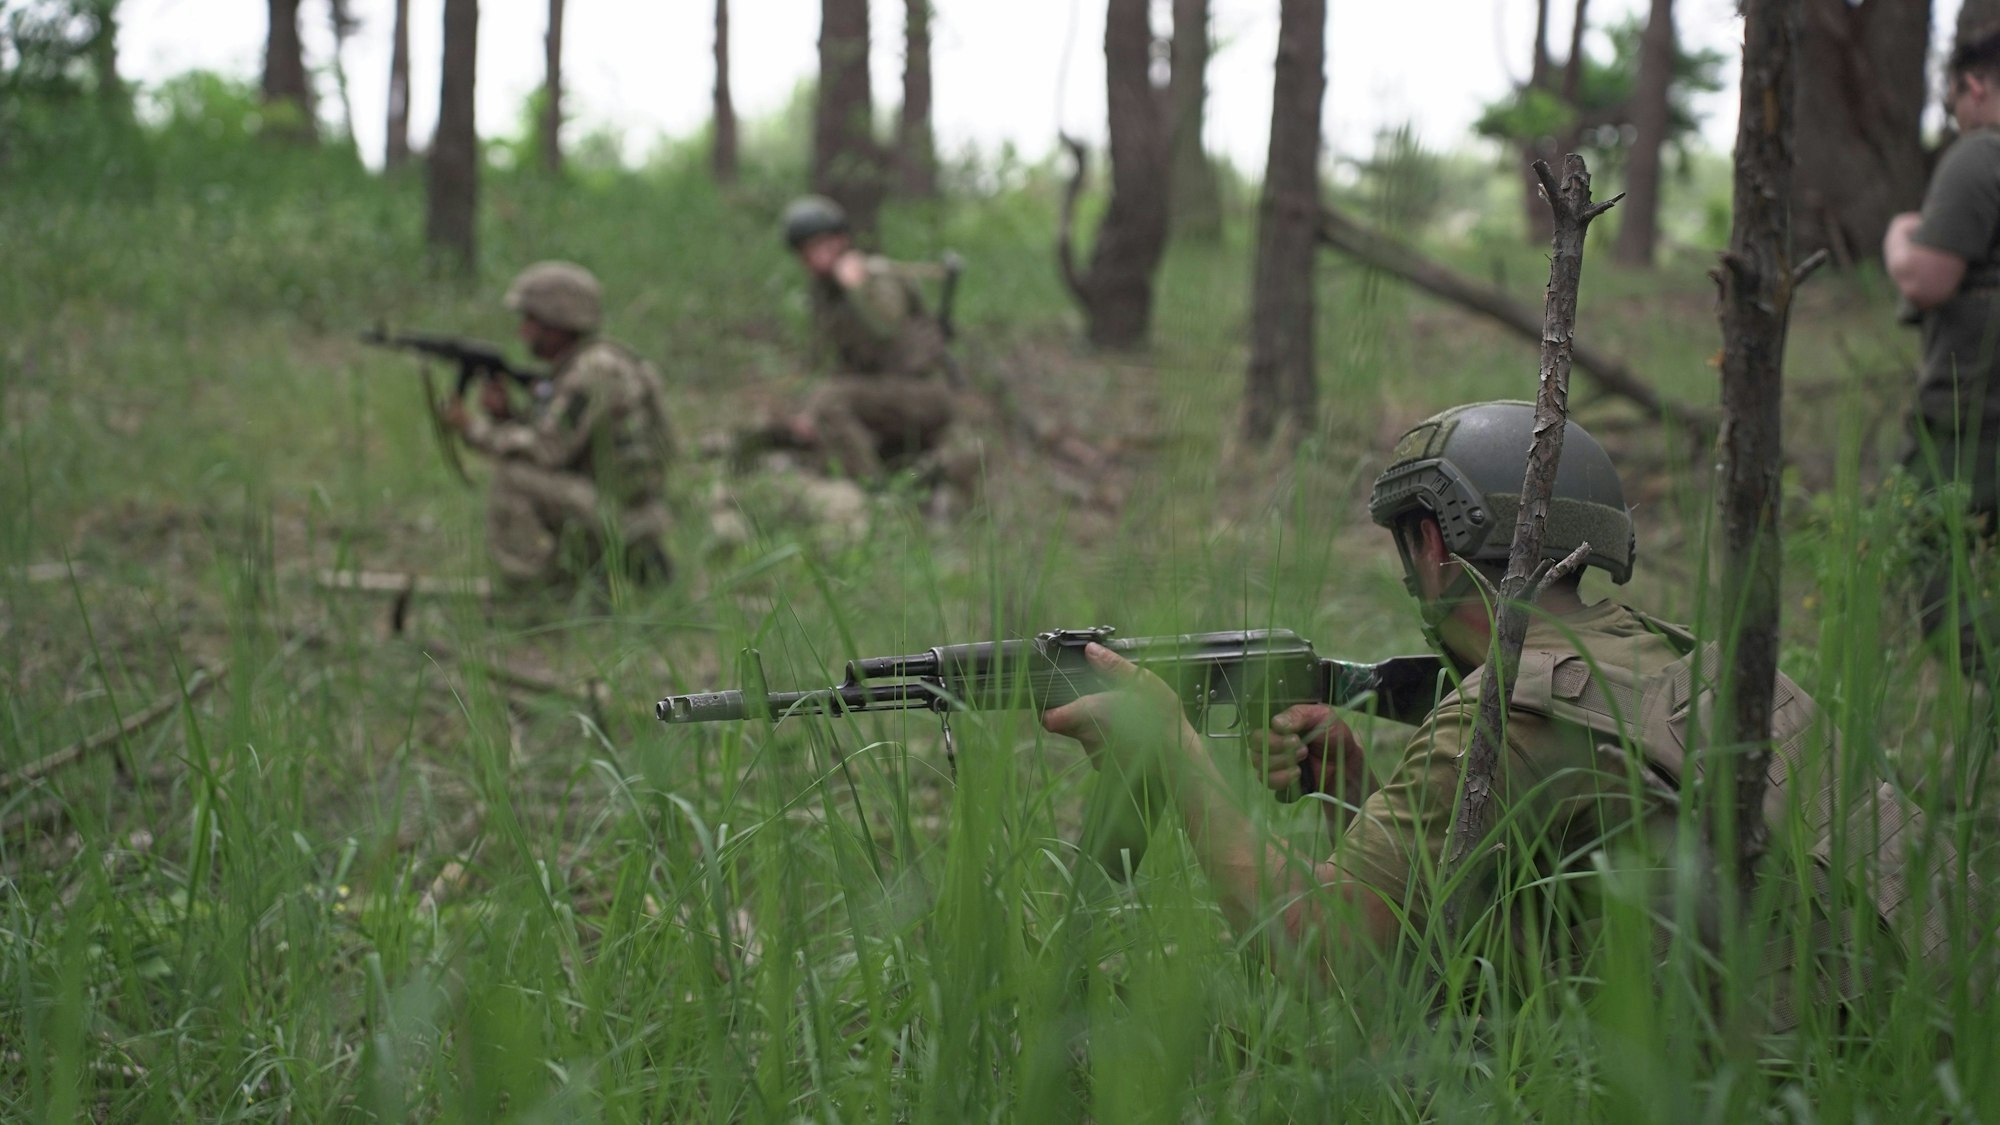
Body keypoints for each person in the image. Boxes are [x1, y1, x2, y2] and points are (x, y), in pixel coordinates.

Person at [1041, 402, 1888, 1018]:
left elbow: (1324, 954)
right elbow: (1487, 915)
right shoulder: (1679, 653)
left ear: (1436, 543)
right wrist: (1355, 791)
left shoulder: (1503, 711)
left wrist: (1176, 754)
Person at [440, 261, 675, 588]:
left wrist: (471, 428)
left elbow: (545, 450)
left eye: (530, 321)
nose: (523, 332)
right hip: (635, 509)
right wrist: (508, 417)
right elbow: (570, 441)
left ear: (557, 322)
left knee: (513, 477)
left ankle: (533, 588)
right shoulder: (606, 361)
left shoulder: (591, 372)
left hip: (620, 515)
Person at [1884, 23, 2000, 673]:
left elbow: (1928, 277)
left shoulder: (1981, 154)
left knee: (1929, 575)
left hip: (1969, 429)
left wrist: (1900, 236)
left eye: (1956, 101)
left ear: (1975, 85)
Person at [765, 194, 960, 483]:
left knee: (830, 400)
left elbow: (887, 327)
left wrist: (858, 287)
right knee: (811, 407)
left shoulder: (876, 277)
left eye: (820, 246)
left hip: (924, 392)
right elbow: (845, 364)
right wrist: (809, 410)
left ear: (841, 240)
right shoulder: (828, 294)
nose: (813, 257)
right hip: (886, 393)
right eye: (806, 251)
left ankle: (873, 493)